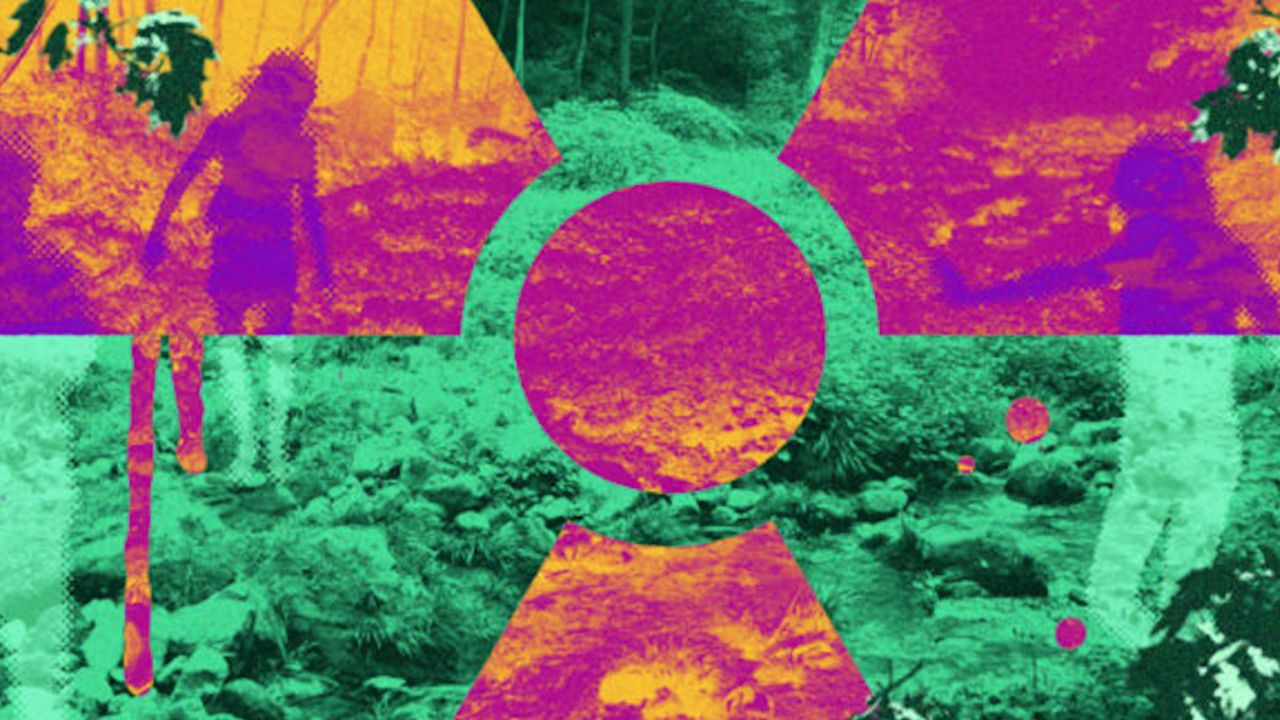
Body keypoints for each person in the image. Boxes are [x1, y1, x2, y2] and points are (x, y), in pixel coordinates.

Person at [143, 51, 331, 474]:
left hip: (274, 251)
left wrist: (324, 269)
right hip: (235, 249)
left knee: (272, 346)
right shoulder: (232, 128)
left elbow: (310, 208)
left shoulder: (297, 142)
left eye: (300, 101)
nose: (295, 108)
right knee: (235, 345)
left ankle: (271, 449)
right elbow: (184, 177)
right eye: (291, 98)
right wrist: (157, 236)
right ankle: (245, 446)